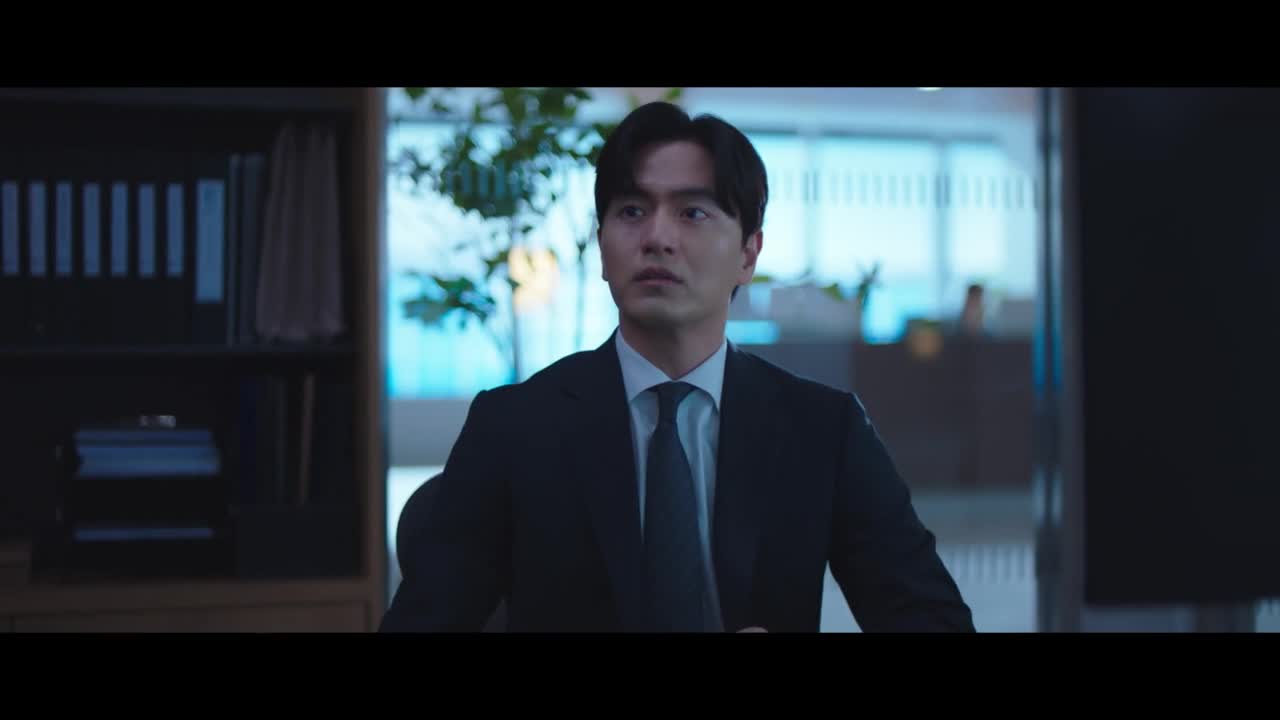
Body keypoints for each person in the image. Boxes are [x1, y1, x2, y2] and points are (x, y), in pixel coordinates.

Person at [380, 101, 974, 633]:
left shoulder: (823, 430)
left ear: (748, 253)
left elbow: (931, 619)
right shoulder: (514, 427)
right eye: (632, 211)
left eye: (692, 213)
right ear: (603, 246)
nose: (657, 237)